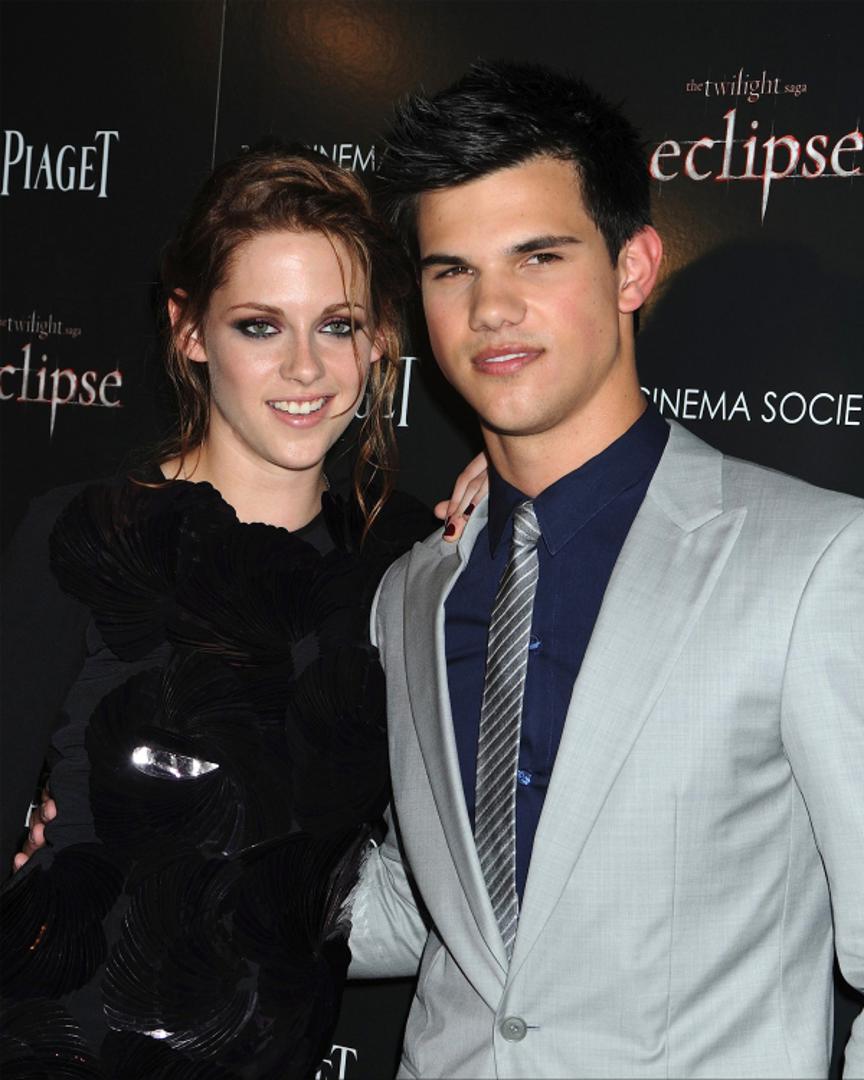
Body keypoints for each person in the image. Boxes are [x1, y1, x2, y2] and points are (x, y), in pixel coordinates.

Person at [346, 61, 864, 1078]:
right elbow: (423, 904)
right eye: (452, 271)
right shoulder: (413, 590)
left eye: (537, 257)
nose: (491, 308)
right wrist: (157, 861)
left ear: (632, 269)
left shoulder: (813, 564)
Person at [0, 144, 482, 1078]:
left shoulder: (410, 566)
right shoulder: (82, 537)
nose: (306, 368)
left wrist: (515, 497)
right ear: (189, 331)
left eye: (337, 325)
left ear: (379, 338)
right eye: (260, 326)